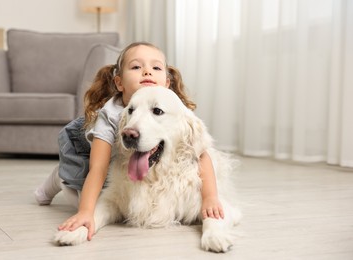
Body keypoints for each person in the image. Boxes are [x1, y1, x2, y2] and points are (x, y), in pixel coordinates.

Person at [34, 42, 223, 240]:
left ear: (167, 83)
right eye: (136, 67)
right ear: (119, 83)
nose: (147, 72)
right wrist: (85, 213)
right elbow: (97, 168)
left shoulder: (174, 108)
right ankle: (58, 178)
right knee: (79, 192)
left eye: (156, 67)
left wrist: (210, 197)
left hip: (134, 154)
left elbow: (200, 153)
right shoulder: (110, 116)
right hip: (87, 154)